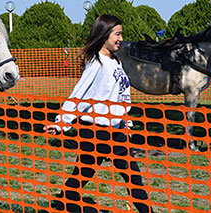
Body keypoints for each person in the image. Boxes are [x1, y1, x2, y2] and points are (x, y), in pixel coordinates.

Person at [46, 15, 149, 213]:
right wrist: (61, 123)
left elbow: (122, 97)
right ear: (104, 36)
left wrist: (125, 124)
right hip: (95, 133)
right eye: (117, 34)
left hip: (115, 132)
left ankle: (62, 203)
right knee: (84, 174)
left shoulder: (116, 63)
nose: (120, 38)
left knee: (132, 177)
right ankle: (63, 203)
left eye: (121, 34)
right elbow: (78, 94)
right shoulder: (96, 63)